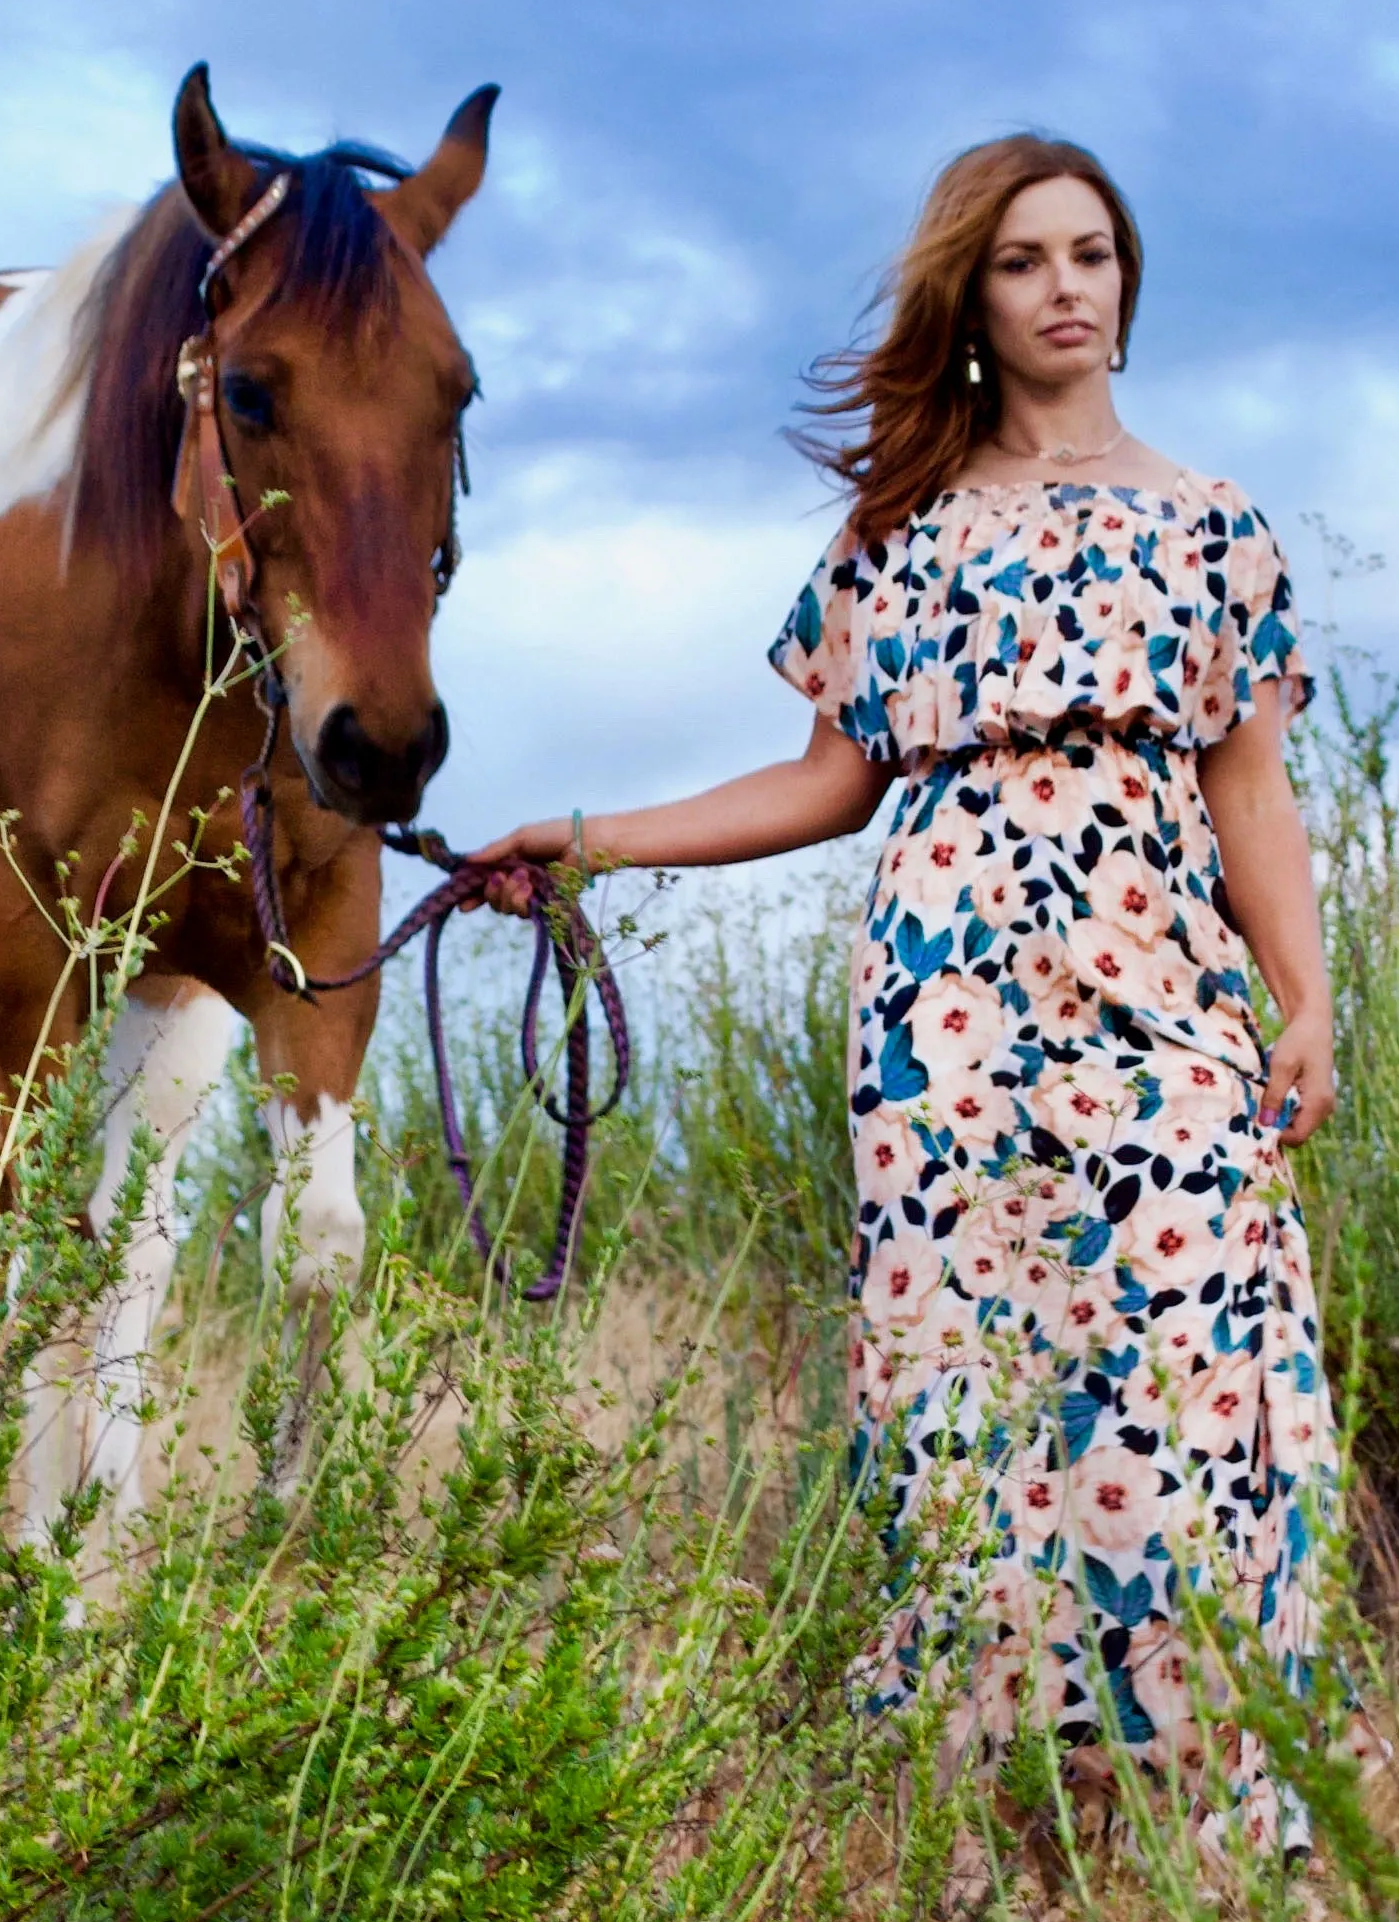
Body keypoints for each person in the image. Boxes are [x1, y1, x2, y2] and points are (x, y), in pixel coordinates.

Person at [475, 133, 1342, 1836]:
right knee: (971, 1366)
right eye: (1025, 262)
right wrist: (588, 836)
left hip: (1161, 973)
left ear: (1129, 279)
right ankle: (1000, 1787)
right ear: (972, 298)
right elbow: (823, 779)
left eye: (1092, 254)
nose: (1067, 289)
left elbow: (1253, 789)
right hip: (949, 1000)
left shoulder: (1215, 523)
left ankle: (1217, 1773)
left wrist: (1304, 999)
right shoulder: (906, 534)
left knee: (1192, 1340)